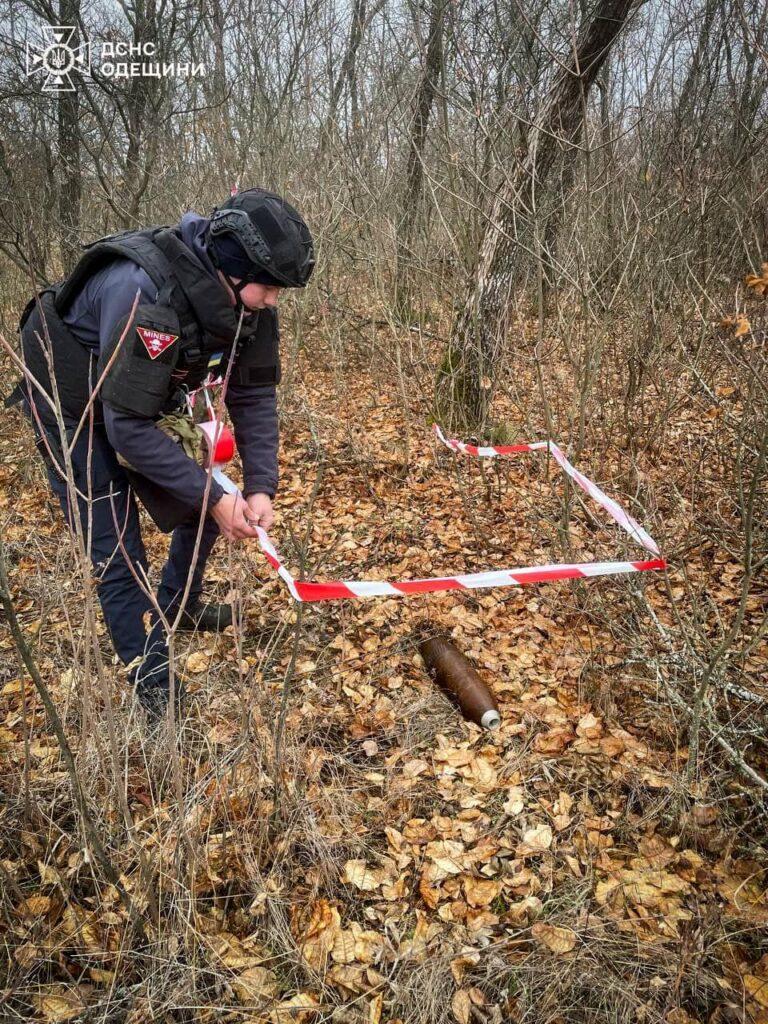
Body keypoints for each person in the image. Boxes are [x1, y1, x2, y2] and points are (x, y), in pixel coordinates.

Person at [13, 187, 314, 716]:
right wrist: (215, 494)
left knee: (207, 496)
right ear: (232, 268)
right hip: (65, 391)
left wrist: (260, 483)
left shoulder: (251, 305)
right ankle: (155, 692)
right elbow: (125, 428)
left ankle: (178, 607)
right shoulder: (145, 292)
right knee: (116, 539)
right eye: (269, 288)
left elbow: (255, 392)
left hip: (139, 393)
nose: (274, 301)